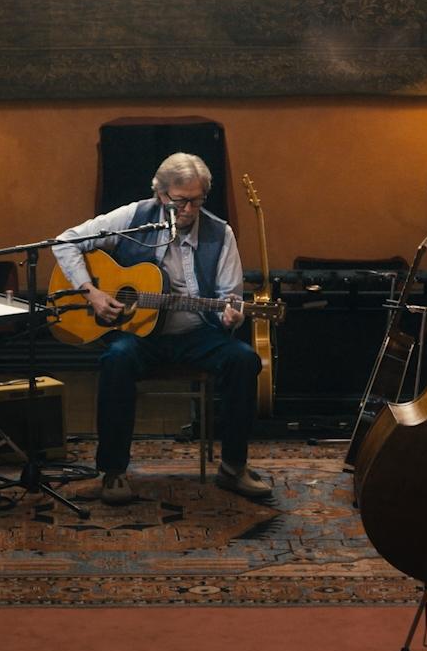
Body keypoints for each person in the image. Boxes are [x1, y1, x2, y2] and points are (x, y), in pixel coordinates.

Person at [52, 153, 269, 505]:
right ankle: (113, 471)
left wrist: (233, 316)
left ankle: (233, 467)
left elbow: (230, 297)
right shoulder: (133, 217)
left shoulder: (220, 233)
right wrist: (90, 292)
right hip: (140, 334)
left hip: (197, 334)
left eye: (196, 200)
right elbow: (66, 242)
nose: (188, 209)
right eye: (180, 200)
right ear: (160, 194)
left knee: (244, 360)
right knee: (116, 359)